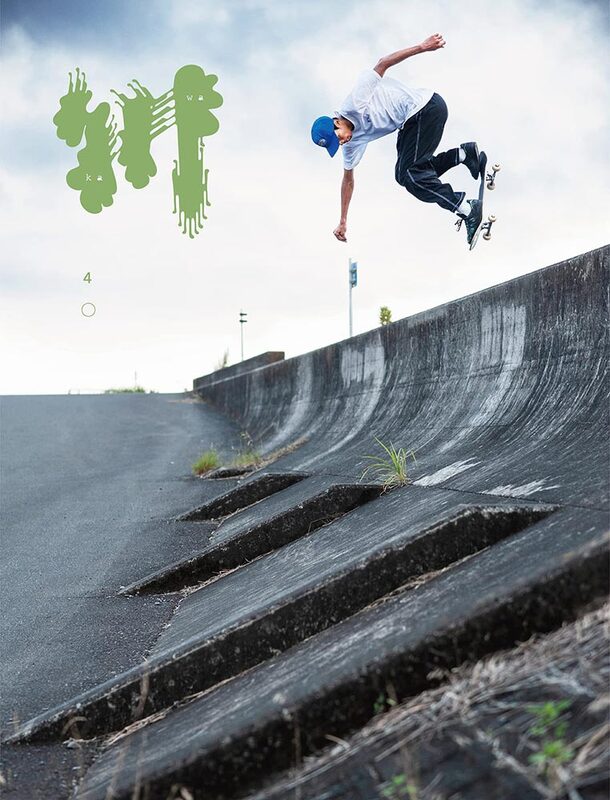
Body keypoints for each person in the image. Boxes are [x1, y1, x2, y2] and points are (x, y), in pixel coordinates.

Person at [310, 34, 483, 247]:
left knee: (411, 175)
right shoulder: (351, 143)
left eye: (338, 138)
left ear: (337, 122)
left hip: (425, 108)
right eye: (338, 144)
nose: (343, 143)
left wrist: (422, 47)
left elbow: (383, 63)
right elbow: (348, 180)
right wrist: (343, 220)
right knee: (403, 176)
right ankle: (464, 155)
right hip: (412, 122)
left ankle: (466, 208)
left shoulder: (354, 102)